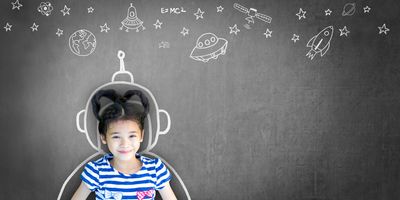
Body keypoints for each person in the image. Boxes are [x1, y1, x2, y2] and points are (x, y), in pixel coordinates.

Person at [72, 89, 177, 200]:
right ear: (103, 137)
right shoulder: (96, 171)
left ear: (141, 135)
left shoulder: (155, 169)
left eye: (132, 136)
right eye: (116, 137)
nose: (125, 144)